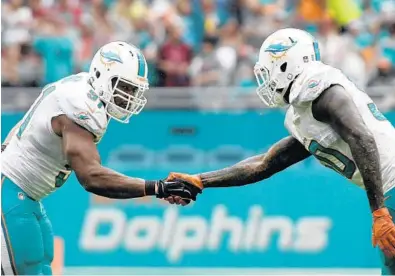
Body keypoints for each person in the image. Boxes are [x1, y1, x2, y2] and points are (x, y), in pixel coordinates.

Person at [165, 28, 395, 274]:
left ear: (287, 63)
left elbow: (361, 137)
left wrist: (378, 210)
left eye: (269, 68)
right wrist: (201, 180)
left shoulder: (319, 87)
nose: (265, 79)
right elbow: (264, 164)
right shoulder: (303, 113)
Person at [1, 41, 201, 275]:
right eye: (124, 87)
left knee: (41, 265)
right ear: (102, 74)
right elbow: (92, 177)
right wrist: (157, 187)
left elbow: (25, 125)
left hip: (24, 193)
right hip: (12, 190)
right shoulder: (80, 105)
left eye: (133, 90)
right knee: (30, 266)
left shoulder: (79, 88)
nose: (129, 97)